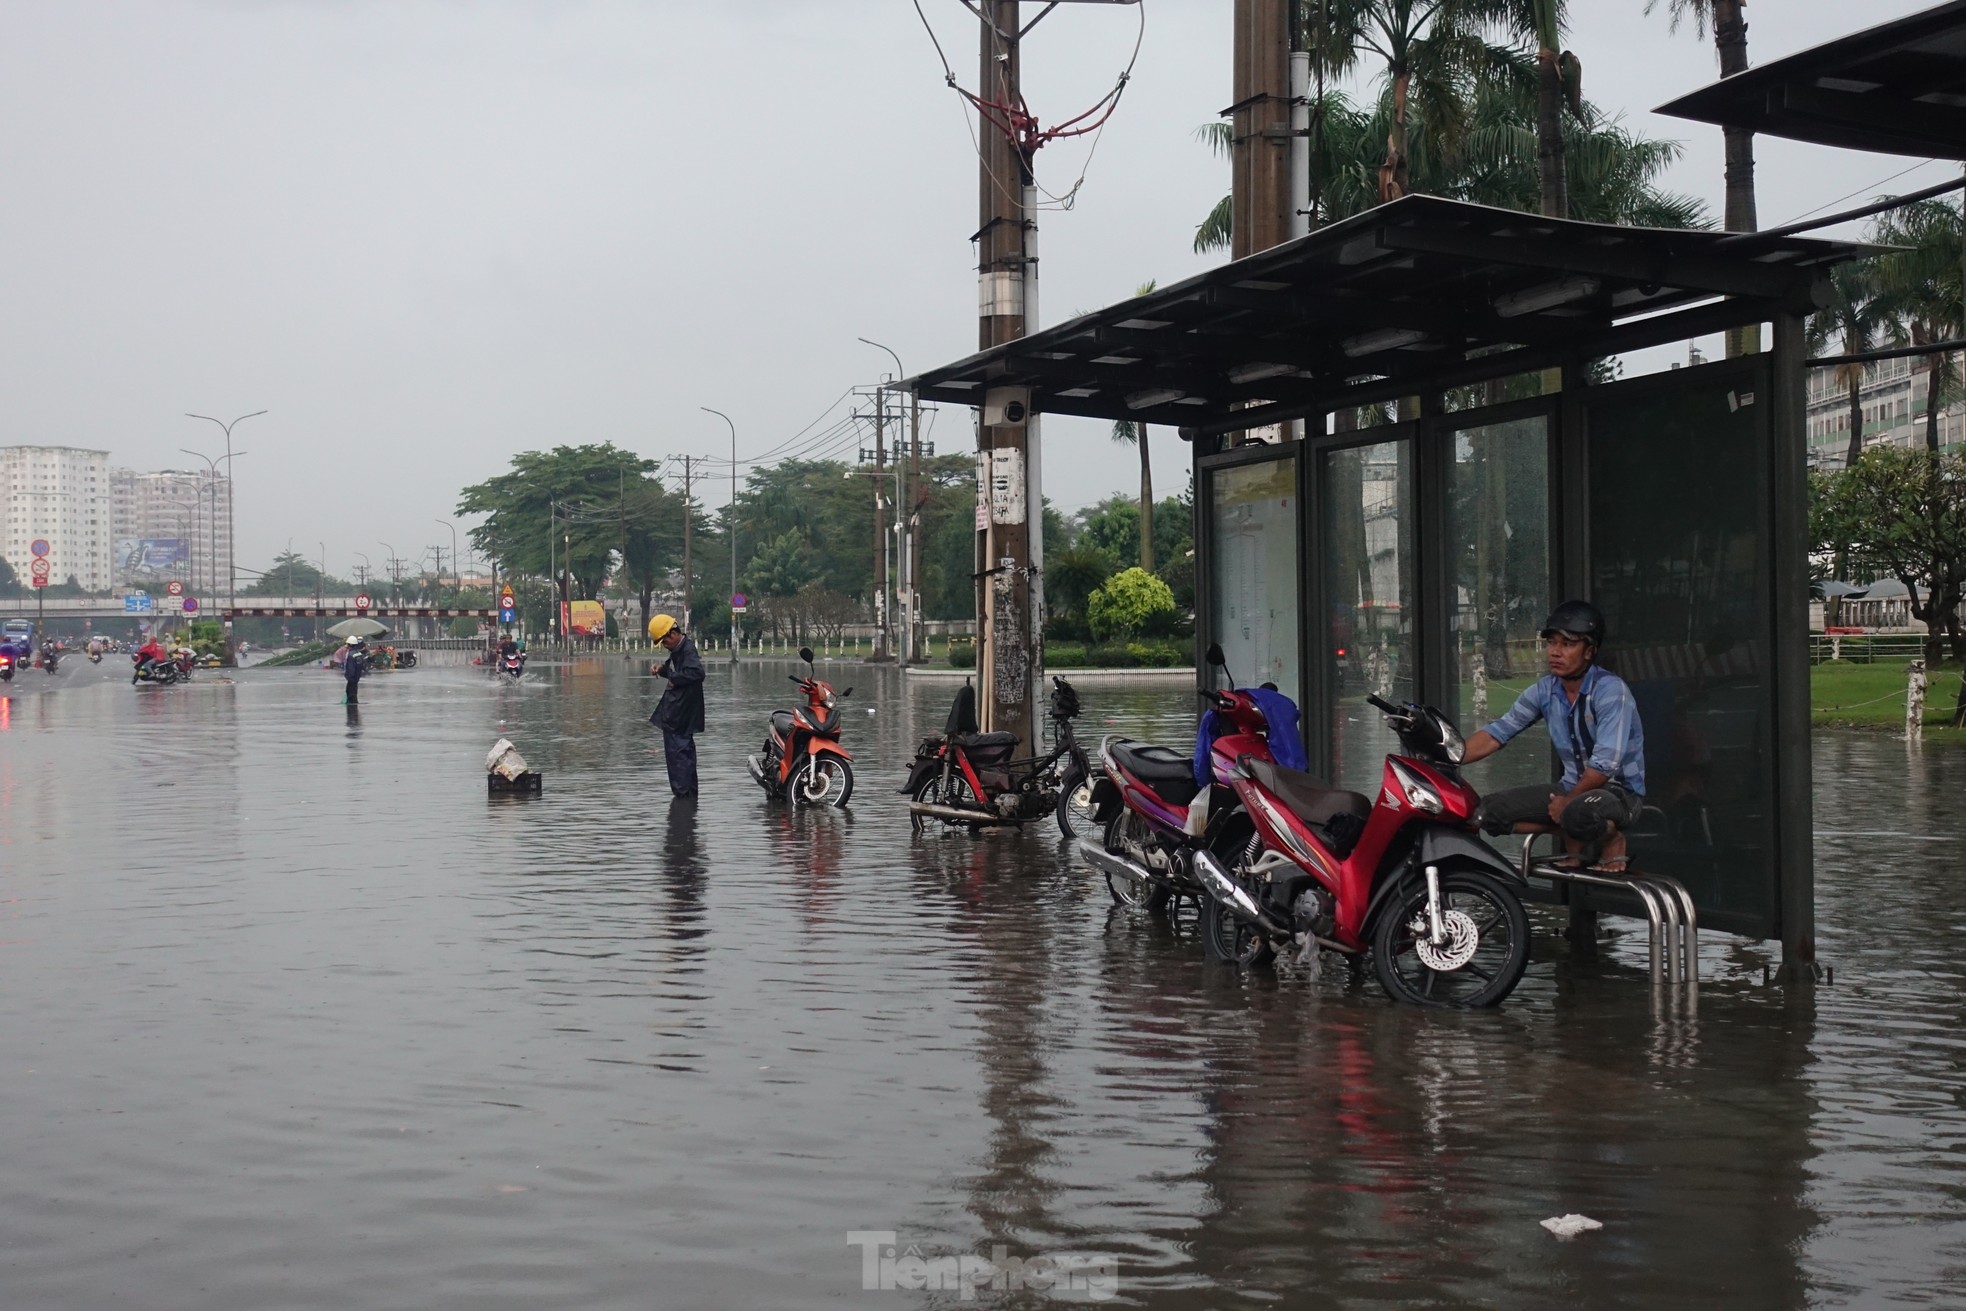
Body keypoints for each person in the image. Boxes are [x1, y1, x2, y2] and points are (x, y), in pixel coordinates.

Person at [1463, 600, 1646, 873]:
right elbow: (1498, 733)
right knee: (1485, 812)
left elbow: (1604, 766)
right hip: (1572, 788)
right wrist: (1450, 756)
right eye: (1552, 643)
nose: (1555, 652)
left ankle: (1612, 839)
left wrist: (1568, 801)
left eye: (1568, 644)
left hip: (1619, 794)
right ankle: (1566, 832)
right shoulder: (1545, 690)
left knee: (1579, 812)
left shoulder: (1610, 691)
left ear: (1589, 651)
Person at [647, 613, 704, 798]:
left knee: (680, 760)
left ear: (673, 634)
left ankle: (684, 805)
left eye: (664, 642)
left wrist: (673, 678)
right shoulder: (678, 651)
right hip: (677, 715)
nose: (665, 646)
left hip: (680, 717)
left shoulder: (687, 650)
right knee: (681, 759)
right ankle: (687, 807)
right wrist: (664, 671)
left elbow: (696, 673)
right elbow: (680, 673)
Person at [343, 635, 369, 705]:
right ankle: (354, 709)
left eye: (347, 644)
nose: (346, 645)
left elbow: (351, 668)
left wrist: (349, 677)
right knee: (354, 694)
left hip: (352, 679)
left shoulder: (351, 654)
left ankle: (352, 712)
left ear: (350, 644)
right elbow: (361, 666)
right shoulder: (358, 653)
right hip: (356, 678)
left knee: (350, 694)